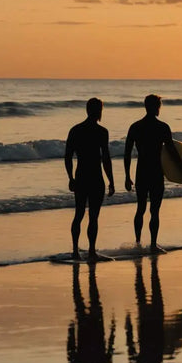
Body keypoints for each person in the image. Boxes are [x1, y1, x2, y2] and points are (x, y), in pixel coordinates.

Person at [124, 94, 182, 254]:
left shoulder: (135, 127)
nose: (159, 109)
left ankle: (138, 243)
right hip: (156, 172)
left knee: (141, 208)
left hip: (141, 171)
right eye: (158, 106)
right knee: (154, 210)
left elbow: (127, 153)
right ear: (155, 107)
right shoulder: (162, 127)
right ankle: (152, 244)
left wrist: (127, 176)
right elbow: (172, 152)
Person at [65, 97, 115, 260]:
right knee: (93, 216)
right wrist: (111, 181)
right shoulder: (101, 132)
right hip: (95, 177)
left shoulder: (75, 130)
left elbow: (67, 157)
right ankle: (91, 251)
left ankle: (75, 251)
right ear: (99, 111)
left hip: (81, 177)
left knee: (79, 213)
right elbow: (105, 159)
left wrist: (71, 178)